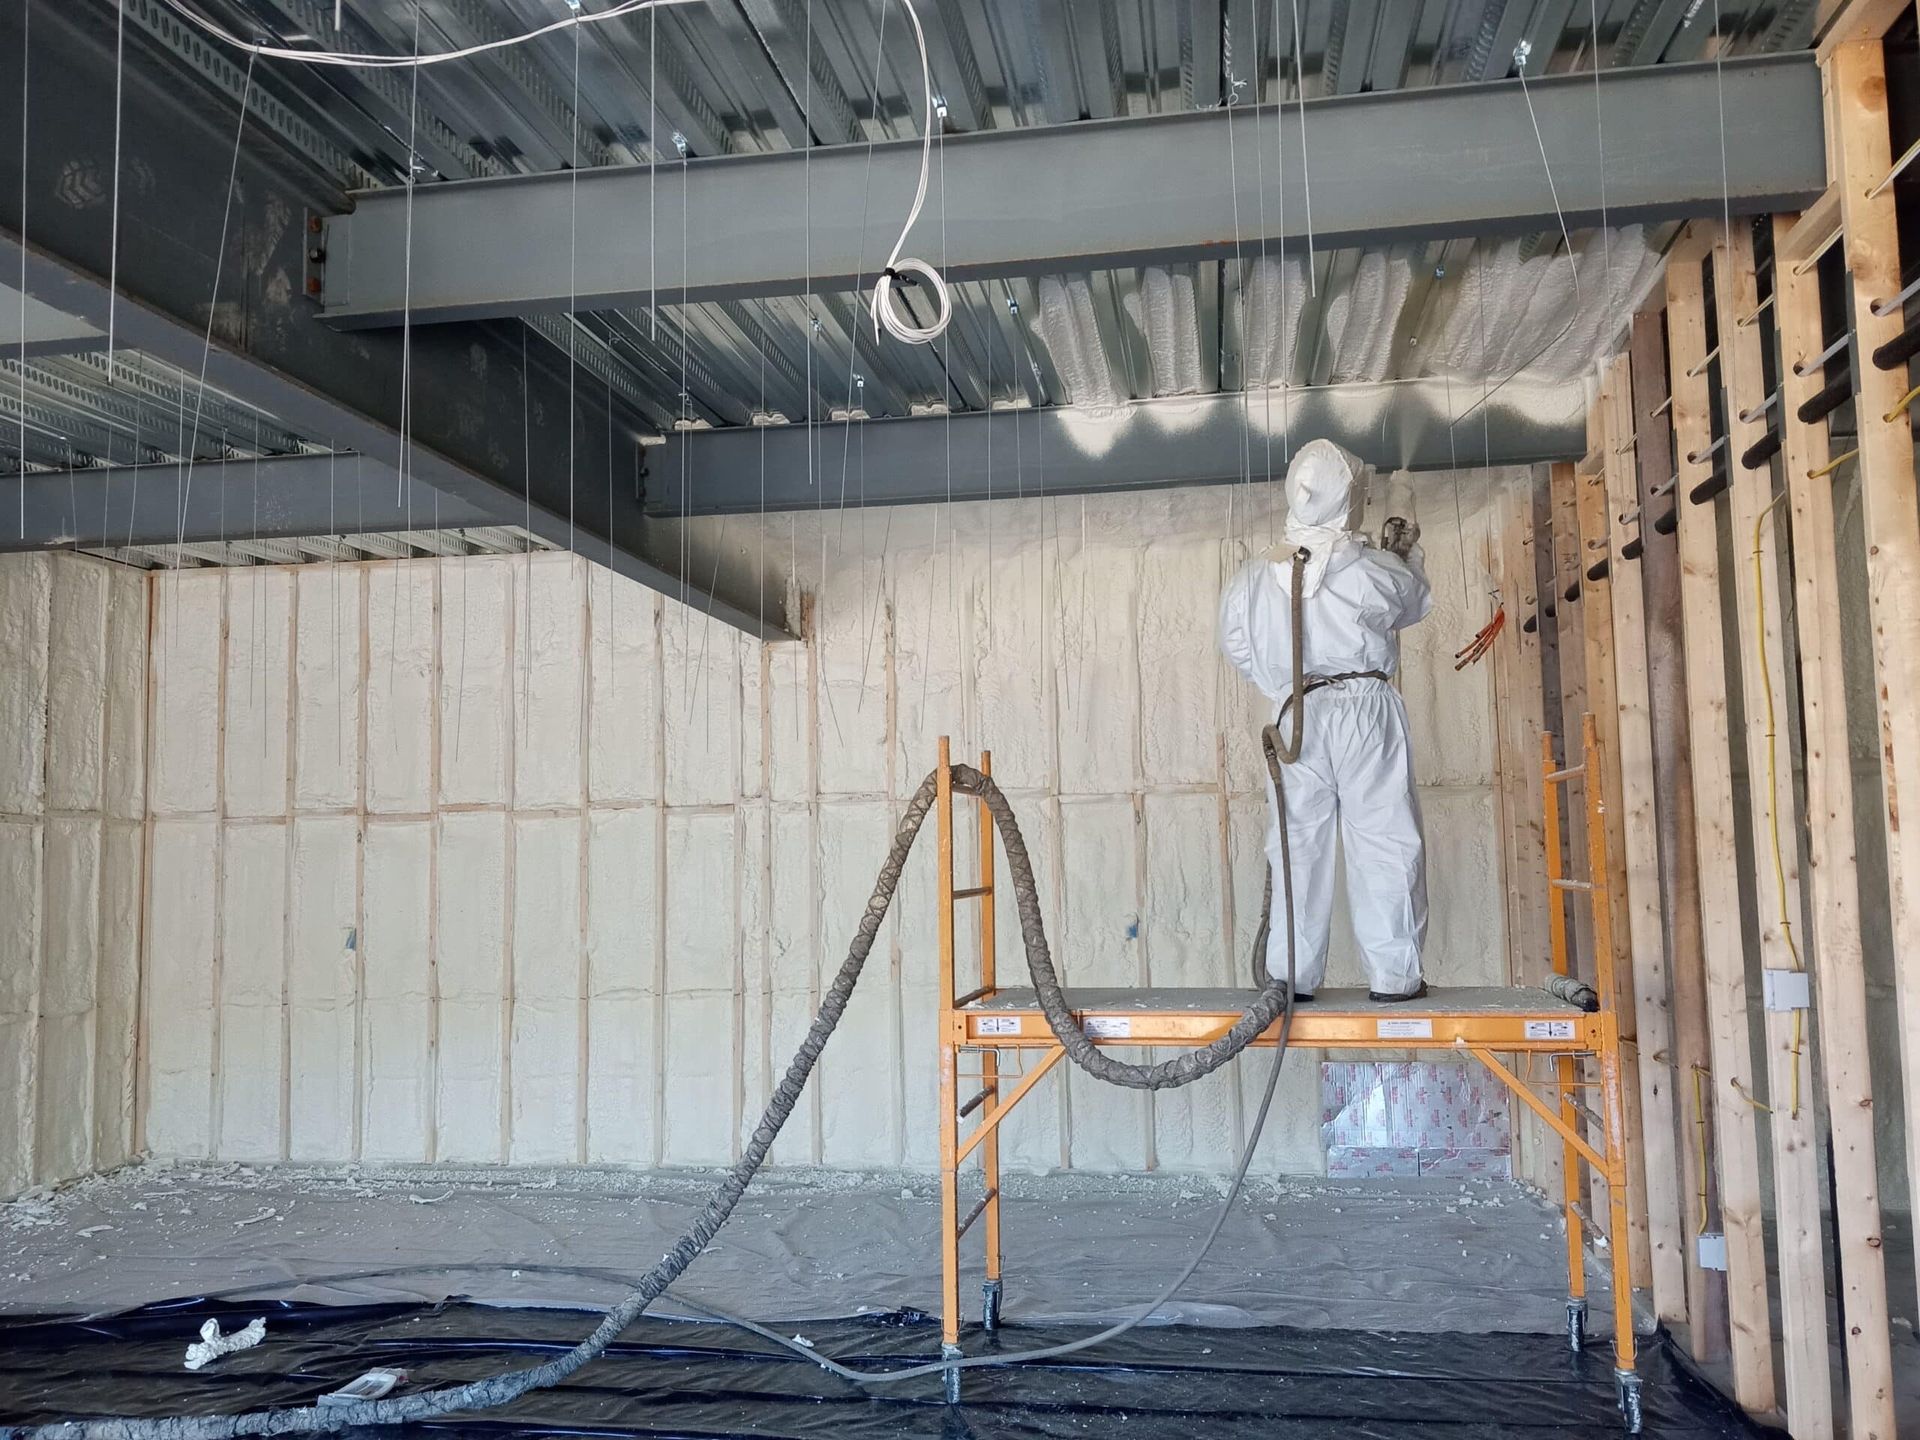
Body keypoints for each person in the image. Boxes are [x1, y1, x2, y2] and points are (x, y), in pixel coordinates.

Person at [1218, 438, 1434, 1002]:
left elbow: (1238, 646)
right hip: (1364, 709)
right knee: (1383, 837)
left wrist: (1283, 687)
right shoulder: (1373, 569)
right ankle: (1395, 976)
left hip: (1296, 716)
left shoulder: (1251, 579)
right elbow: (1412, 600)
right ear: (1348, 500)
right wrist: (1406, 554)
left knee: (1296, 843)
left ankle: (1291, 975)